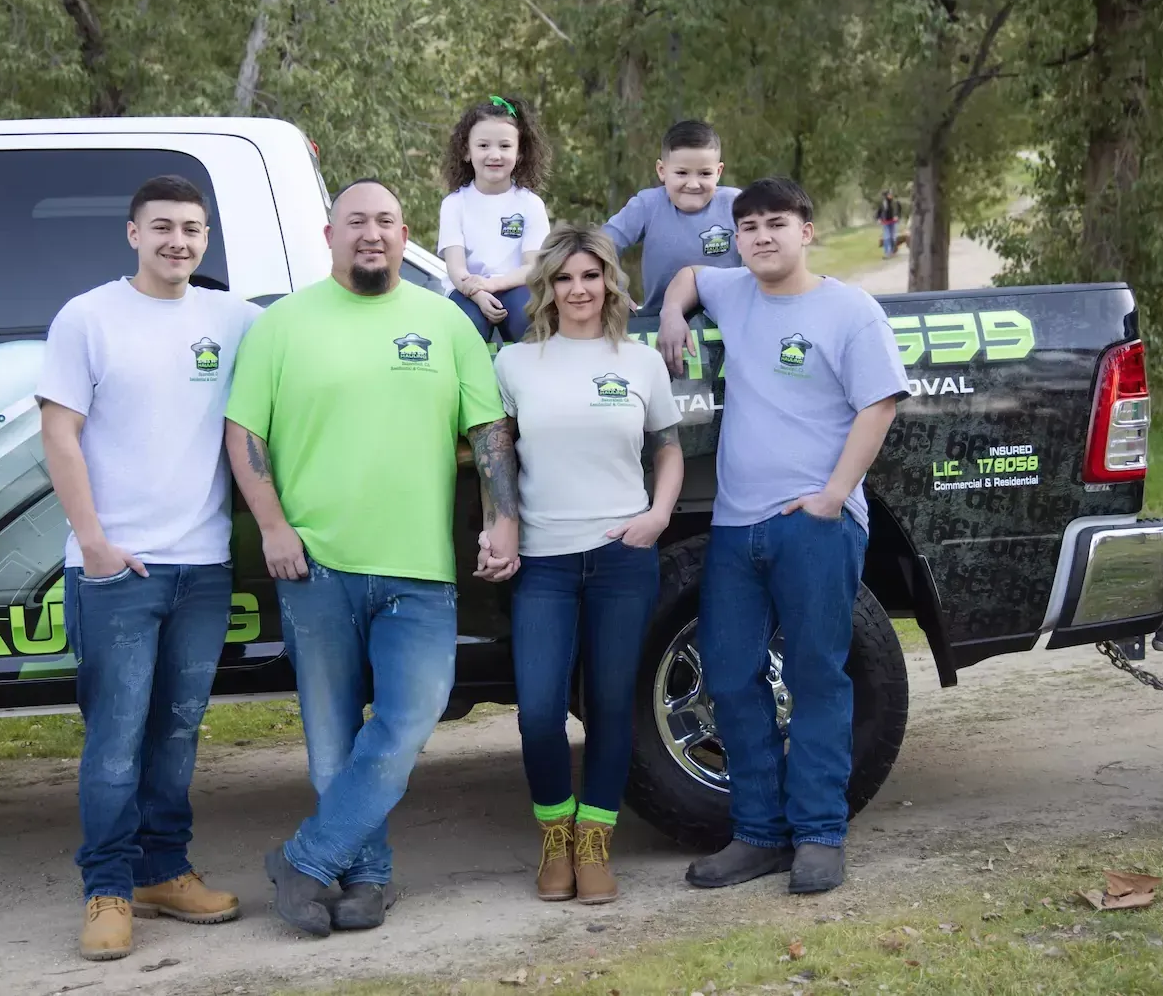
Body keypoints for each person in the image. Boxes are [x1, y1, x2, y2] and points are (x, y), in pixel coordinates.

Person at [225, 178, 520, 938]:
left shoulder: (445, 322)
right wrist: (273, 527)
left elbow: (488, 430)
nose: (372, 233)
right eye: (356, 221)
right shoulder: (280, 326)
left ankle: (305, 858)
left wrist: (503, 519)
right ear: (328, 235)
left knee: (407, 721)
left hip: (420, 568)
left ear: (403, 232)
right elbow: (244, 434)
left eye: (386, 221)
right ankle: (367, 879)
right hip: (315, 565)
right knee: (332, 741)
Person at [656, 177, 909, 896]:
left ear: (807, 231)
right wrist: (675, 309)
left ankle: (820, 833)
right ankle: (759, 834)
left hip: (814, 526)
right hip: (736, 527)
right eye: (749, 227)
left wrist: (834, 496)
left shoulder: (848, 310)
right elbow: (689, 275)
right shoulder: (734, 291)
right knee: (732, 677)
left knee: (816, 676)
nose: (762, 237)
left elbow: (879, 404)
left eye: (777, 224)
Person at [37, 174, 259, 962]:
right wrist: (92, 541)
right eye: (162, 226)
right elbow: (59, 433)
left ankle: (163, 869)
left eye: (192, 229)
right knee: (116, 737)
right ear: (133, 233)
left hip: (202, 566)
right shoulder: (88, 317)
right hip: (115, 567)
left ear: (206, 240)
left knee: (176, 731)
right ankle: (106, 886)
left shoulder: (234, 319)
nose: (178, 241)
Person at [493, 226, 684, 905]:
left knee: (609, 706)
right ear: (548, 287)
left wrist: (658, 515)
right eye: (566, 278)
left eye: (591, 276)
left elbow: (666, 447)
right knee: (539, 712)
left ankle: (596, 838)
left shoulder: (638, 361)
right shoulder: (516, 364)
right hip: (542, 561)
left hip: (622, 557)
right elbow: (497, 458)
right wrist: (501, 527)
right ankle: (556, 832)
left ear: (609, 283)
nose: (579, 290)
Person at [438, 95, 552, 342]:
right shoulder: (453, 204)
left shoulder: (530, 204)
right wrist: (478, 293)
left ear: (520, 153)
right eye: (483, 146)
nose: (494, 154)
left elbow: (533, 267)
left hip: (516, 288)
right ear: (467, 152)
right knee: (466, 324)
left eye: (504, 146)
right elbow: (456, 268)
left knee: (528, 315)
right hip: (467, 292)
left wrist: (493, 285)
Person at [604, 120, 742, 314]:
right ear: (662, 171)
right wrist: (616, 292)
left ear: (718, 172)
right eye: (682, 173)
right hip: (659, 322)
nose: (693, 184)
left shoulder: (736, 204)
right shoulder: (647, 205)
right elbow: (602, 243)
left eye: (704, 173)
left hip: (728, 320)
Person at [875, 189, 903, 257]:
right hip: (886, 221)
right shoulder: (883, 203)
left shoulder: (895, 202)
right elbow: (879, 211)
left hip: (893, 221)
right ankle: (887, 252)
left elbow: (899, 210)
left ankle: (893, 251)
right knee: (887, 236)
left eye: (891, 194)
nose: (891, 195)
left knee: (893, 236)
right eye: (889, 194)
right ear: (886, 195)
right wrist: (878, 218)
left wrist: (897, 216)